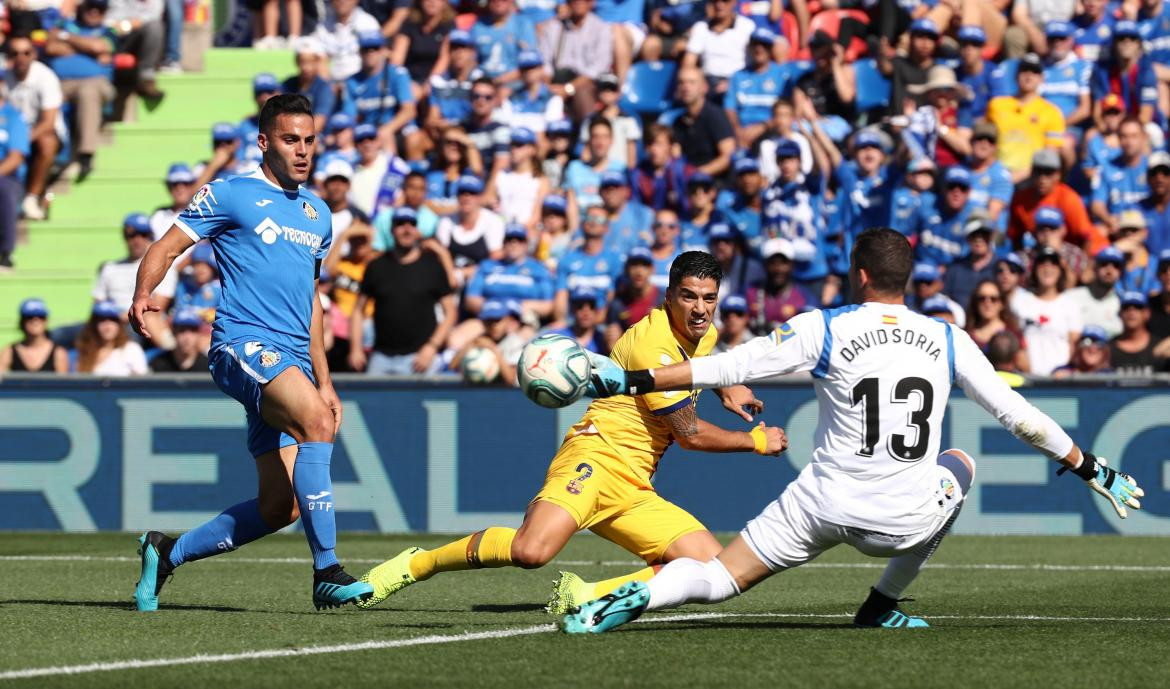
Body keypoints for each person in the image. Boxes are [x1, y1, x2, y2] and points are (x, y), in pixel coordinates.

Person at [566, 227, 1144, 634]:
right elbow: (1019, 417)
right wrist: (1094, 469)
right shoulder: (946, 336)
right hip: (904, 518)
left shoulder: (826, 326)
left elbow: (729, 367)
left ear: (859, 275)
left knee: (717, 577)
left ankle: (642, 592)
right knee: (960, 463)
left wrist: (633, 376)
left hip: (821, 503)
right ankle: (882, 603)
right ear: (907, 279)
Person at [357, 251, 784, 615]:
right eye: (689, 296)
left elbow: (705, 354)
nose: (700, 309)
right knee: (531, 552)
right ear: (669, 295)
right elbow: (690, 434)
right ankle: (420, 564)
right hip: (595, 457)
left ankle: (588, 594)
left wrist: (727, 386)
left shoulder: (701, 331)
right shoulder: (651, 344)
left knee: (711, 567)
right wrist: (756, 441)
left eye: (709, 299)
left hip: (635, 485)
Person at [127, 94, 373, 612]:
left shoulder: (319, 214)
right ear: (264, 142)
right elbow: (167, 246)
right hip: (242, 343)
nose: (303, 150)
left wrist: (325, 381)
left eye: (309, 140)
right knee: (315, 425)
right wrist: (144, 294)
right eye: (290, 139)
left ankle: (165, 552)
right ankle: (326, 570)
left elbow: (313, 304)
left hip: (293, 360)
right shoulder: (231, 193)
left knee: (279, 506)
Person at [349, 207, 456, 374]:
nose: (406, 229)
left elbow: (450, 312)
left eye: (411, 224)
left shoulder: (432, 266)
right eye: (400, 224)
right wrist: (355, 348)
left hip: (420, 359)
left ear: (417, 230)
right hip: (381, 357)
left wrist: (432, 347)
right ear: (392, 230)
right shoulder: (376, 265)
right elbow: (357, 310)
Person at [44, 0, 118, 182]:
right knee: (49, 97)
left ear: (105, 11)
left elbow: (99, 47)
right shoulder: (64, 24)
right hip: (60, 84)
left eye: (99, 8)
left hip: (96, 84)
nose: (94, 11)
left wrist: (68, 39)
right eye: (90, 6)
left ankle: (86, 153)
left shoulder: (109, 31)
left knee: (88, 91)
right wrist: (87, 48)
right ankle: (58, 156)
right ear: (81, 8)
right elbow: (50, 46)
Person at [5, 35, 63, 223]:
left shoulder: (46, 77)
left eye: (26, 52)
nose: (21, 57)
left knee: (46, 143)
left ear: (34, 55)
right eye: (15, 53)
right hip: (13, 133)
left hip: (43, 132)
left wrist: (18, 141)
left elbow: (48, 121)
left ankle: (31, 197)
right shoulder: (3, 78)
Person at [1007, 149, 1105, 255]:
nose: (1042, 178)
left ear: (1058, 175)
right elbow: (1016, 237)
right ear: (1031, 173)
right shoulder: (1020, 199)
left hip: (1087, 252)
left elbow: (1086, 238)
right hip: (1044, 255)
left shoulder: (1068, 199)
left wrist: (1086, 268)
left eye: (1048, 173)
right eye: (1038, 172)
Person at [93, 214, 177, 335]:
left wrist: (122, 318)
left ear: (150, 237)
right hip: (108, 321)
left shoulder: (164, 267)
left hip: (140, 322)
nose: (137, 240)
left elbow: (157, 308)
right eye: (131, 235)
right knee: (60, 334)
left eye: (143, 235)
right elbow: (98, 304)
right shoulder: (109, 268)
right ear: (125, 237)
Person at [987, 53, 1066, 181]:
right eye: (1024, 70)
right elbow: (986, 143)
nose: (1029, 76)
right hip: (997, 174)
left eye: (1034, 72)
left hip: (1032, 178)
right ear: (1016, 75)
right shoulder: (996, 105)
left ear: (1041, 78)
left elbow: (1051, 154)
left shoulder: (1052, 112)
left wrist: (1020, 176)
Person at [345, 32, 420, 159]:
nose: (371, 53)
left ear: (384, 51)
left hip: (396, 129)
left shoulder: (398, 74)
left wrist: (387, 129)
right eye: (366, 49)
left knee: (403, 137)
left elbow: (409, 111)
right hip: (368, 131)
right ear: (359, 52)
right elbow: (349, 117)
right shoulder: (352, 81)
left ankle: (395, 174)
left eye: (375, 49)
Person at [536, 0, 615, 120]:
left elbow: (598, 69)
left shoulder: (601, 28)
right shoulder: (553, 27)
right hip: (557, 80)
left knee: (582, 93)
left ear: (592, 3)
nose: (579, 2)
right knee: (537, 89)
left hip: (586, 85)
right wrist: (548, 86)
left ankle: (586, 131)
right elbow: (544, 62)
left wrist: (568, 89)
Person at [1013, 246, 1082, 376]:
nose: (1047, 268)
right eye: (1042, 264)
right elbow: (1015, 339)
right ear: (1034, 270)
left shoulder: (1070, 305)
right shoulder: (1021, 301)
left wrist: (1067, 370)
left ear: (1060, 270)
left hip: (1059, 381)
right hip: (1028, 379)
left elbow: (1075, 346)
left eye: (1053, 264)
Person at [435, 175, 505, 288]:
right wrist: (452, 276)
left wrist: (461, 274)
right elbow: (440, 256)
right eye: (462, 193)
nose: (466, 197)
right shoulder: (446, 222)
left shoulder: (493, 222)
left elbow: (495, 261)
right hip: (449, 282)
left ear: (480, 197)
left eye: (472, 193)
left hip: (482, 283)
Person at [554, 207, 623, 321]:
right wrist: (562, 323)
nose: (593, 221)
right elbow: (561, 297)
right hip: (572, 322)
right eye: (589, 217)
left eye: (599, 219)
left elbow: (612, 297)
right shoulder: (567, 259)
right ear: (582, 223)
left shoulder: (615, 260)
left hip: (603, 323)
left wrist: (594, 322)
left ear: (607, 228)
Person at [724, 28, 787, 149]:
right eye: (755, 44)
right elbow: (730, 108)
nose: (759, 49)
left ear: (771, 49)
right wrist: (737, 130)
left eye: (764, 45)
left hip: (772, 130)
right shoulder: (738, 76)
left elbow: (788, 110)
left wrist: (764, 126)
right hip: (742, 132)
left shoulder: (782, 75)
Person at [683, 0, 756, 99]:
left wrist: (734, 83)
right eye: (715, 1)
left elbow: (755, 61)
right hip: (707, 84)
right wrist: (699, 83)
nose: (719, 4)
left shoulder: (747, 26)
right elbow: (688, 63)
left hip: (738, 82)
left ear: (734, 2)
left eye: (725, 1)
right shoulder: (700, 27)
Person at [669, 67, 735, 177]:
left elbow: (728, 156)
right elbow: (676, 157)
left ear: (704, 88)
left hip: (715, 183)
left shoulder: (716, 116)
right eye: (681, 83)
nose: (686, 87)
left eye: (692, 82)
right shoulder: (678, 122)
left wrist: (697, 175)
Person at [745, 237, 815, 334]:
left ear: (792, 265)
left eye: (784, 263)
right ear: (765, 265)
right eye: (773, 263)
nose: (778, 269)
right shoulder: (750, 292)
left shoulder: (804, 296)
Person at [489, 127, 548, 230]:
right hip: (500, 229)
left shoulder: (540, 180)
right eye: (512, 144)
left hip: (525, 235)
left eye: (519, 145)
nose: (513, 149)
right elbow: (490, 200)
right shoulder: (501, 174)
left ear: (532, 149)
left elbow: (536, 217)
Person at [965, 279, 1029, 372]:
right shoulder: (965, 336)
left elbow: (1025, 369)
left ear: (1002, 303)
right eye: (982, 298)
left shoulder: (1014, 334)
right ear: (975, 302)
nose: (987, 303)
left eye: (993, 299)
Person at [107, 0, 166, 99]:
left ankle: (146, 78)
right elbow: (109, 21)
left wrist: (127, 25)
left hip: (137, 38)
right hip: (114, 37)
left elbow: (152, 17)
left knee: (155, 27)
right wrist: (127, 25)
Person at [315, 0, 383, 82]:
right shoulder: (322, 27)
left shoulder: (368, 23)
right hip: (331, 85)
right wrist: (328, 87)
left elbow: (374, 60)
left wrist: (350, 86)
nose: (341, 1)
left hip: (360, 83)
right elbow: (320, 63)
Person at [76, 300, 149, 375]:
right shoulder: (84, 351)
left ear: (120, 324)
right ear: (93, 325)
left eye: (113, 320)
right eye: (102, 320)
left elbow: (142, 382)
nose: (108, 326)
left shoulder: (132, 349)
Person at [391, 0, 454, 87]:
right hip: (410, 79)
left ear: (444, 2)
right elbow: (397, 59)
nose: (432, 2)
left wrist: (429, 83)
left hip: (436, 79)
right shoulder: (409, 23)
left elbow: (445, 58)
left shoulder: (449, 25)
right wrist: (403, 82)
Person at [606, 248, 661, 347]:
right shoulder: (618, 303)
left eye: (644, 265)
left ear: (652, 269)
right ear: (626, 269)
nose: (639, 271)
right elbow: (612, 340)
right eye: (634, 265)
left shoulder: (664, 300)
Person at [963, 122, 1013, 230]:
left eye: (990, 141)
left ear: (995, 147)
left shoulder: (1001, 176)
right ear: (971, 142)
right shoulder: (961, 168)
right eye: (980, 139)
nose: (984, 145)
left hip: (984, 235)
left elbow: (992, 216)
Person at [1065, 246, 1124, 337]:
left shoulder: (1122, 304)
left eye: (1115, 266)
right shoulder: (1072, 297)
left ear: (1121, 272)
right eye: (1104, 264)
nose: (1109, 270)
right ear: (1095, 267)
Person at [282, 37, 337, 133]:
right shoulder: (288, 84)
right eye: (302, 62)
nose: (305, 67)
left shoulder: (323, 87)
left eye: (310, 62)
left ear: (317, 62)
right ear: (297, 62)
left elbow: (319, 122)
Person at [942, 216, 997, 309]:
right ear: (967, 238)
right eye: (974, 235)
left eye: (984, 235)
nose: (979, 239)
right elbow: (944, 298)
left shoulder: (1000, 268)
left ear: (991, 237)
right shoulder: (955, 268)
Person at [0, 298, 68, 373]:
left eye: (40, 317)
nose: (35, 320)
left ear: (46, 321)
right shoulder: (9, 351)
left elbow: (63, 383)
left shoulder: (58, 353)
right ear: (22, 321)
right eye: (29, 317)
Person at [1109, 291, 1164, 375]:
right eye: (1126, 307)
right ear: (1120, 313)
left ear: (1147, 313)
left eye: (1138, 307)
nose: (1131, 312)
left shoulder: (1160, 347)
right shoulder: (1107, 349)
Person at [545, 289, 609, 353]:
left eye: (591, 306)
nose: (586, 312)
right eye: (580, 306)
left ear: (596, 310)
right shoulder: (558, 337)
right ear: (573, 309)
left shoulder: (604, 340)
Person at [150, 308, 211, 373]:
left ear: (199, 334)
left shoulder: (208, 367)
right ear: (173, 332)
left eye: (193, 330)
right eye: (182, 330)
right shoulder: (159, 364)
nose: (187, 337)